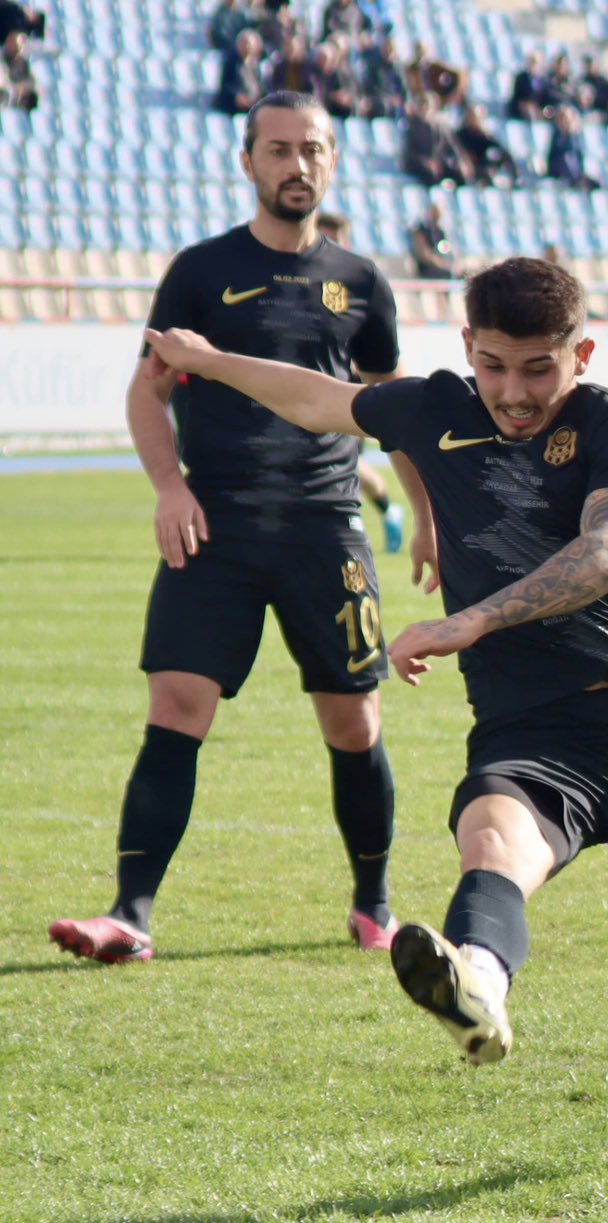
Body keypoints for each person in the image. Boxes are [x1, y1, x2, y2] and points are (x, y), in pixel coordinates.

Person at [142, 256, 608, 1165]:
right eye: (494, 365)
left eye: (539, 367)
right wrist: (207, 359)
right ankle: (478, 985)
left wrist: (473, 619)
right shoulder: (434, 406)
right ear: (467, 349)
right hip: (531, 738)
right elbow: (314, 397)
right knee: (492, 842)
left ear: (582, 353)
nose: (514, 391)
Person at [47, 93, 412, 967]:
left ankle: (375, 905)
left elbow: (392, 413)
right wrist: (169, 488)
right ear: (248, 162)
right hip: (214, 525)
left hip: (327, 528)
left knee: (353, 723)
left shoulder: (361, 282)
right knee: (176, 706)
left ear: (333, 161)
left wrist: (423, 517)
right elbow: (148, 390)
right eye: (280, 150)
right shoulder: (200, 273)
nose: (298, 166)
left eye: (314, 150)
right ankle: (129, 916)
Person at [317, 209, 406, 553]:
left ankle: (379, 516)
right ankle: (387, 511)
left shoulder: (360, 284)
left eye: (336, 239)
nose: (331, 246)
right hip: (313, 396)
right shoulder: (303, 282)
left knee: (345, 464)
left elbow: (385, 357)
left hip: (351, 396)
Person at [401, 93, 470, 188]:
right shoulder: (412, 127)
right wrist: (426, 162)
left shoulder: (441, 128)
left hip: (438, 163)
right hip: (420, 165)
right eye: (423, 106)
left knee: (458, 174)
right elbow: (409, 152)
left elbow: (454, 147)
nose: (426, 109)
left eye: (428, 106)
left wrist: (462, 161)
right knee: (431, 176)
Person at [455, 103, 522, 187]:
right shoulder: (460, 135)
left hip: (482, 168)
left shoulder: (486, 137)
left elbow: (501, 152)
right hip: (465, 168)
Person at [546, 103, 600, 191]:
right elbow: (556, 159)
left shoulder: (577, 138)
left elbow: (579, 159)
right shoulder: (558, 137)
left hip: (575, 174)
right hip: (561, 175)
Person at [213, 27, 265, 117]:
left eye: (250, 44)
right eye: (244, 44)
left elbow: (260, 87)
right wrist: (238, 97)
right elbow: (226, 86)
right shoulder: (231, 63)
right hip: (234, 106)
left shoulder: (256, 65)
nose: (247, 47)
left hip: (253, 104)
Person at [408, 199, 454, 280]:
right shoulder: (420, 230)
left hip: (442, 265)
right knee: (447, 274)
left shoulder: (440, 231)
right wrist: (444, 265)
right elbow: (425, 255)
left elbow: (446, 250)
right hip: (427, 269)